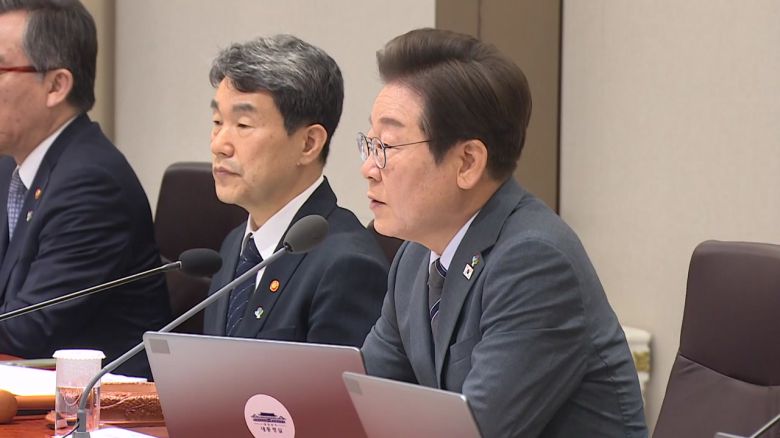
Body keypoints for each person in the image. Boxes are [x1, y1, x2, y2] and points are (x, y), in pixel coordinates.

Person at [359, 28, 648, 437]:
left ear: (467, 162)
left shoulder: (535, 263)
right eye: (369, 144)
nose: (368, 168)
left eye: (387, 147)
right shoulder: (415, 257)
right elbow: (362, 400)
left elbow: (476, 431)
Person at [0, 0, 170, 377]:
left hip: (104, 403)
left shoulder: (92, 183)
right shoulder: (11, 167)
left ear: (56, 86)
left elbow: (28, 328)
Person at [203, 35, 388, 347]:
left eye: (243, 125)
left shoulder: (347, 265)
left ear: (308, 144)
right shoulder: (235, 245)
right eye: (217, 121)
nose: (219, 144)